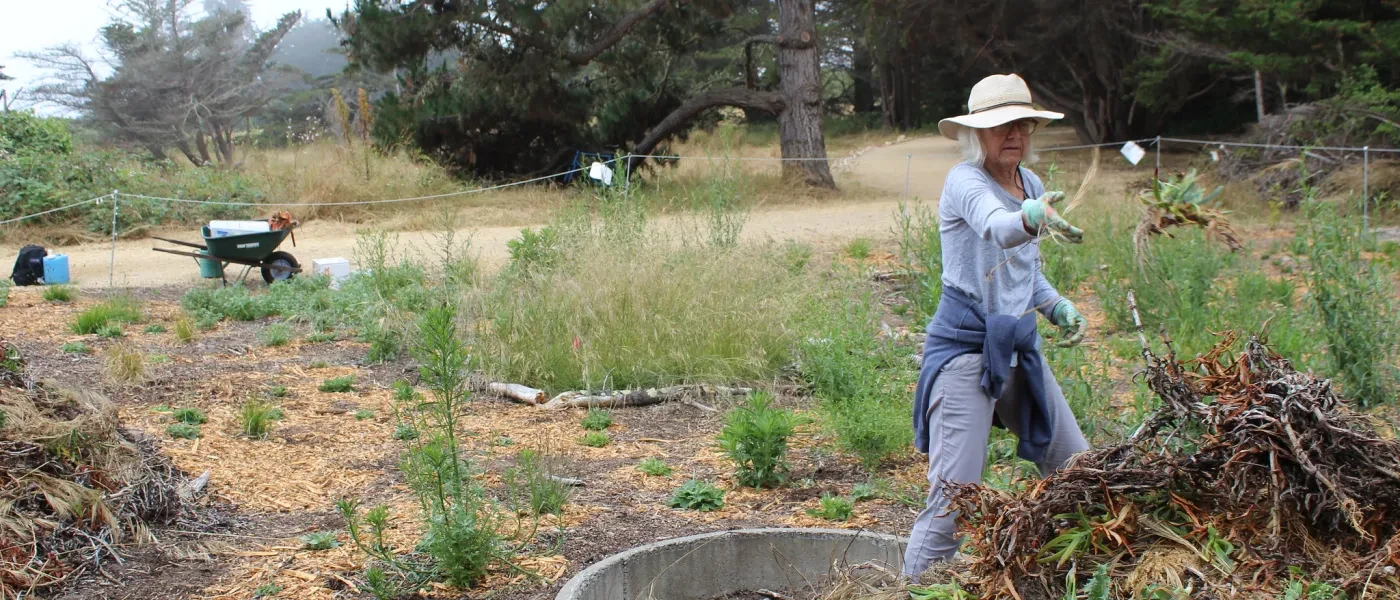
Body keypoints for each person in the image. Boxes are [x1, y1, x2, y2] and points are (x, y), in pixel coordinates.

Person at [902, 73, 1091, 579]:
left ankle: (1067, 578)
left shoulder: (1028, 184)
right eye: (1001, 125)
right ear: (975, 134)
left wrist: (1055, 307)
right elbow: (997, 227)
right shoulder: (965, 181)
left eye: (1023, 124)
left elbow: (1023, 274)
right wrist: (1030, 219)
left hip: (1016, 344)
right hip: (966, 349)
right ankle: (912, 591)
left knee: (1079, 471)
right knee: (953, 503)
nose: (1015, 134)